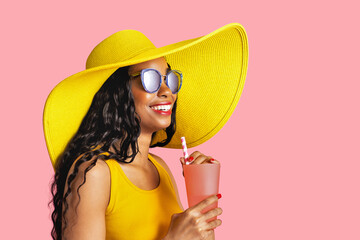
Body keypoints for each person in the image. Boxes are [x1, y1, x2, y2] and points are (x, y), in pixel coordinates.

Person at [44, 23, 248, 240]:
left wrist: (201, 212)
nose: (167, 91)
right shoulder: (94, 174)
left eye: (169, 79)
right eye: (150, 79)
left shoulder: (160, 168)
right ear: (116, 93)